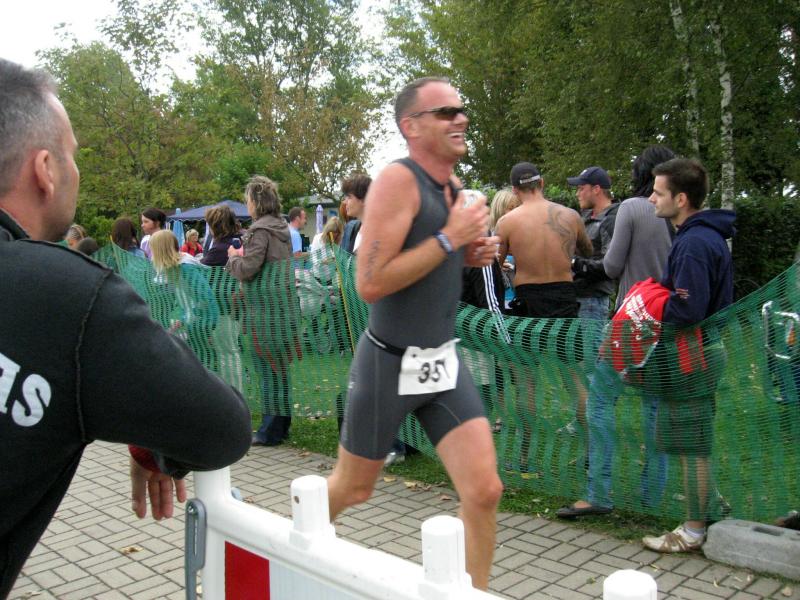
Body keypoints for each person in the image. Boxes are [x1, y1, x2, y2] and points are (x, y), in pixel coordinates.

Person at [0, 58, 251, 598]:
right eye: (72, 154)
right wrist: (150, 444)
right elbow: (223, 428)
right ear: (45, 169)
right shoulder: (68, 294)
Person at [326, 77, 503, 590]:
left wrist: (469, 253)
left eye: (461, 110)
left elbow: (431, 257)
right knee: (354, 489)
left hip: (441, 363)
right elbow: (370, 283)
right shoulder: (397, 181)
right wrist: (451, 238)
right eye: (445, 112)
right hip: (388, 363)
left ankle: (472, 594)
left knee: (484, 491)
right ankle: (289, 542)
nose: (460, 118)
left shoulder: (453, 189)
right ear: (412, 126)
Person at [557, 146, 676, 520]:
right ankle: (652, 496)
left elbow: (610, 265)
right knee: (655, 408)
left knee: (600, 399)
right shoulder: (680, 214)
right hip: (668, 318)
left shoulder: (632, 208)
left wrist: (577, 264)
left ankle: (599, 492)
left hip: (633, 316)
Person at [641, 157, 735, 553]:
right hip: (699, 351)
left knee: (691, 444)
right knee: (690, 440)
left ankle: (693, 531)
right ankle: (710, 505)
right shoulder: (699, 236)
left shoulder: (694, 243)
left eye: (658, 192)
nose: (651, 199)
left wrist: (647, 306)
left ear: (680, 199)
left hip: (692, 355)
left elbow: (689, 309)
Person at [227, 175, 297, 447]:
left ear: (256, 201)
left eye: (248, 200)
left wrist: (233, 259)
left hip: (264, 313)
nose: (247, 205)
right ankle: (281, 425)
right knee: (279, 370)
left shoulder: (260, 231)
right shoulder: (281, 228)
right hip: (282, 308)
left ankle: (270, 431)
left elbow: (248, 269)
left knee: (269, 371)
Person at [497, 162, 592, 320]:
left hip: (528, 300)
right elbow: (588, 252)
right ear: (541, 182)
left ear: (514, 190)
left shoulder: (506, 222)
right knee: (566, 337)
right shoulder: (571, 216)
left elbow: (495, 267)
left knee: (532, 338)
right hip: (565, 297)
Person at [604, 145, 677, 308]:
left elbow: (611, 267)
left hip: (634, 309)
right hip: (667, 308)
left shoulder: (631, 207)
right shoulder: (680, 210)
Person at [566, 166, 619, 320]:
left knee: (591, 338)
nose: (577, 194)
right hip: (576, 295)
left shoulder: (612, 220)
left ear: (596, 189)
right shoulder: (585, 217)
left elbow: (609, 266)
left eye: (581, 188)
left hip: (593, 299)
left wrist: (573, 262)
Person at [339, 174, 371, 254]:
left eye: (349, 197)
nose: (345, 202)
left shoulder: (381, 232)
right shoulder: (353, 229)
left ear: (364, 199)